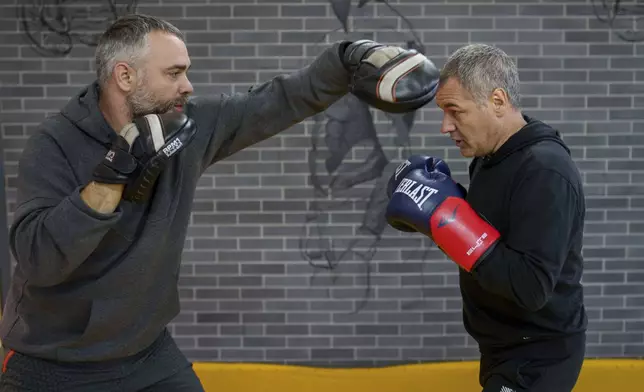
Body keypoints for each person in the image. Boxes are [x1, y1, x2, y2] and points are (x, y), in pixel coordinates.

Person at [0, 13, 438, 392]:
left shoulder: (186, 127)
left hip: (146, 355)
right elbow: (38, 260)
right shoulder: (53, 144)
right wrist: (109, 178)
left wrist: (346, 59)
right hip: (54, 365)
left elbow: (277, 100)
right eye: (174, 73)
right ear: (125, 76)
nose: (187, 86)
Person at [385, 43, 587, 392]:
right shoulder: (491, 158)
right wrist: (443, 219)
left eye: (454, 111)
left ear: (497, 101)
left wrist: (447, 219)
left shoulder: (544, 170)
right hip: (503, 347)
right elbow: (488, 246)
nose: (445, 126)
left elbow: (531, 286)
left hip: (538, 356)